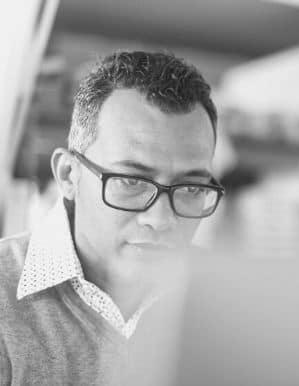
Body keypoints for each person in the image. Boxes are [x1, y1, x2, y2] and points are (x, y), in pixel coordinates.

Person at [0, 51, 225, 385]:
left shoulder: (230, 303)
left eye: (191, 188)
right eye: (131, 182)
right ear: (68, 175)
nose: (161, 219)